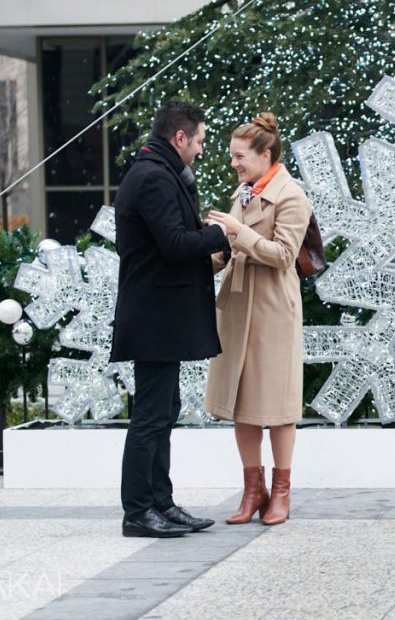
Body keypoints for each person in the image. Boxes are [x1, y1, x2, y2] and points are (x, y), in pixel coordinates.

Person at [111, 100, 230, 538]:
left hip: (160, 316)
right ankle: (138, 511)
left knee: (164, 412)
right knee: (151, 417)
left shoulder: (159, 173)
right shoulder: (152, 177)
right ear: (180, 137)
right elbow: (176, 244)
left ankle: (161, 502)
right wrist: (222, 232)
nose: (200, 149)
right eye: (199, 140)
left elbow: (174, 237)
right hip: (154, 318)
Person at [205, 112, 312, 526]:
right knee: (242, 402)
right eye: (232, 157)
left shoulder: (291, 196)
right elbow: (231, 248)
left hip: (271, 310)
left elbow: (285, 255)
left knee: (278, 406)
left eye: (239, 156)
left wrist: (238, 231)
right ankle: (253, 491)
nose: (233, 163)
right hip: (237, 307)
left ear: (265, 154)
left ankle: (281, 492)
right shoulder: (244, 192)